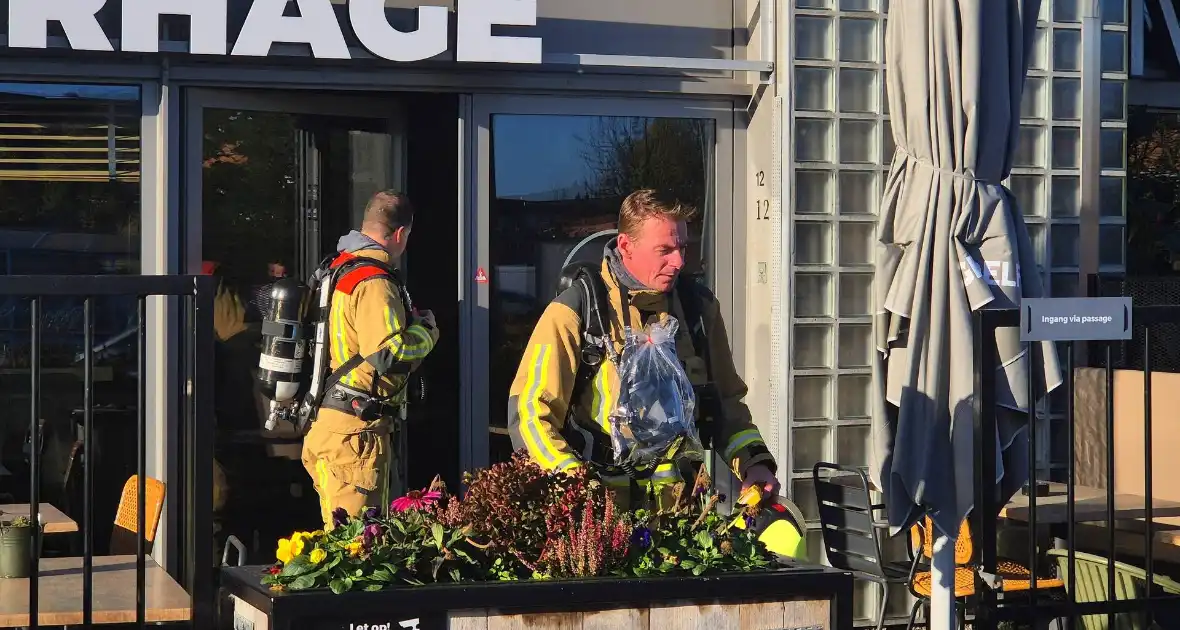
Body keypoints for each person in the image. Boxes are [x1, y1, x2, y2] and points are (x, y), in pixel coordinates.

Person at [507, 189, 779, 509]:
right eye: (664, 249)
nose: (678, 261)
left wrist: (753, 462)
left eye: (682, 247)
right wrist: (573, 484)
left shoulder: (698, 311)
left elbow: (726, 404)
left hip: (680, 519)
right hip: (598, 521)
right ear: (626, 246)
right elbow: (530, 416)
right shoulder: (577, 310)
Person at [301, 191, 438, 527]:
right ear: (401, 234)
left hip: (334, 427)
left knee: (344, 546)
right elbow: (387, 354)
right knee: (356, 554)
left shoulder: (338, 270)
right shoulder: (374, 281)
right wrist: (428, 332)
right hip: (354, 440)